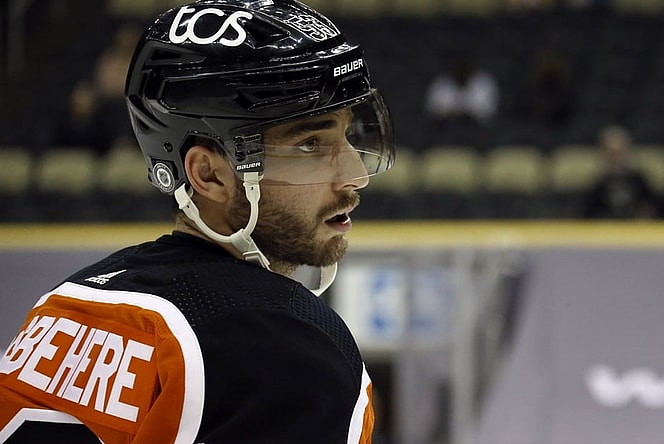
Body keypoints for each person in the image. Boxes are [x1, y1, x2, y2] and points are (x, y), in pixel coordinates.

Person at [0, 0, 394, 442]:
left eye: (347, 135)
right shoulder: (290, 351)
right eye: (310, 145)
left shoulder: (63, 305)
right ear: (210, 175)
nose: (355, 175)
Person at [583, 125, 659, 219]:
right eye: (611, 153)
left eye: (619, 152)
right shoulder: (598, 184)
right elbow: (589, 213)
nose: (615, 157)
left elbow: (652, 207)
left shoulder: (639, 180)